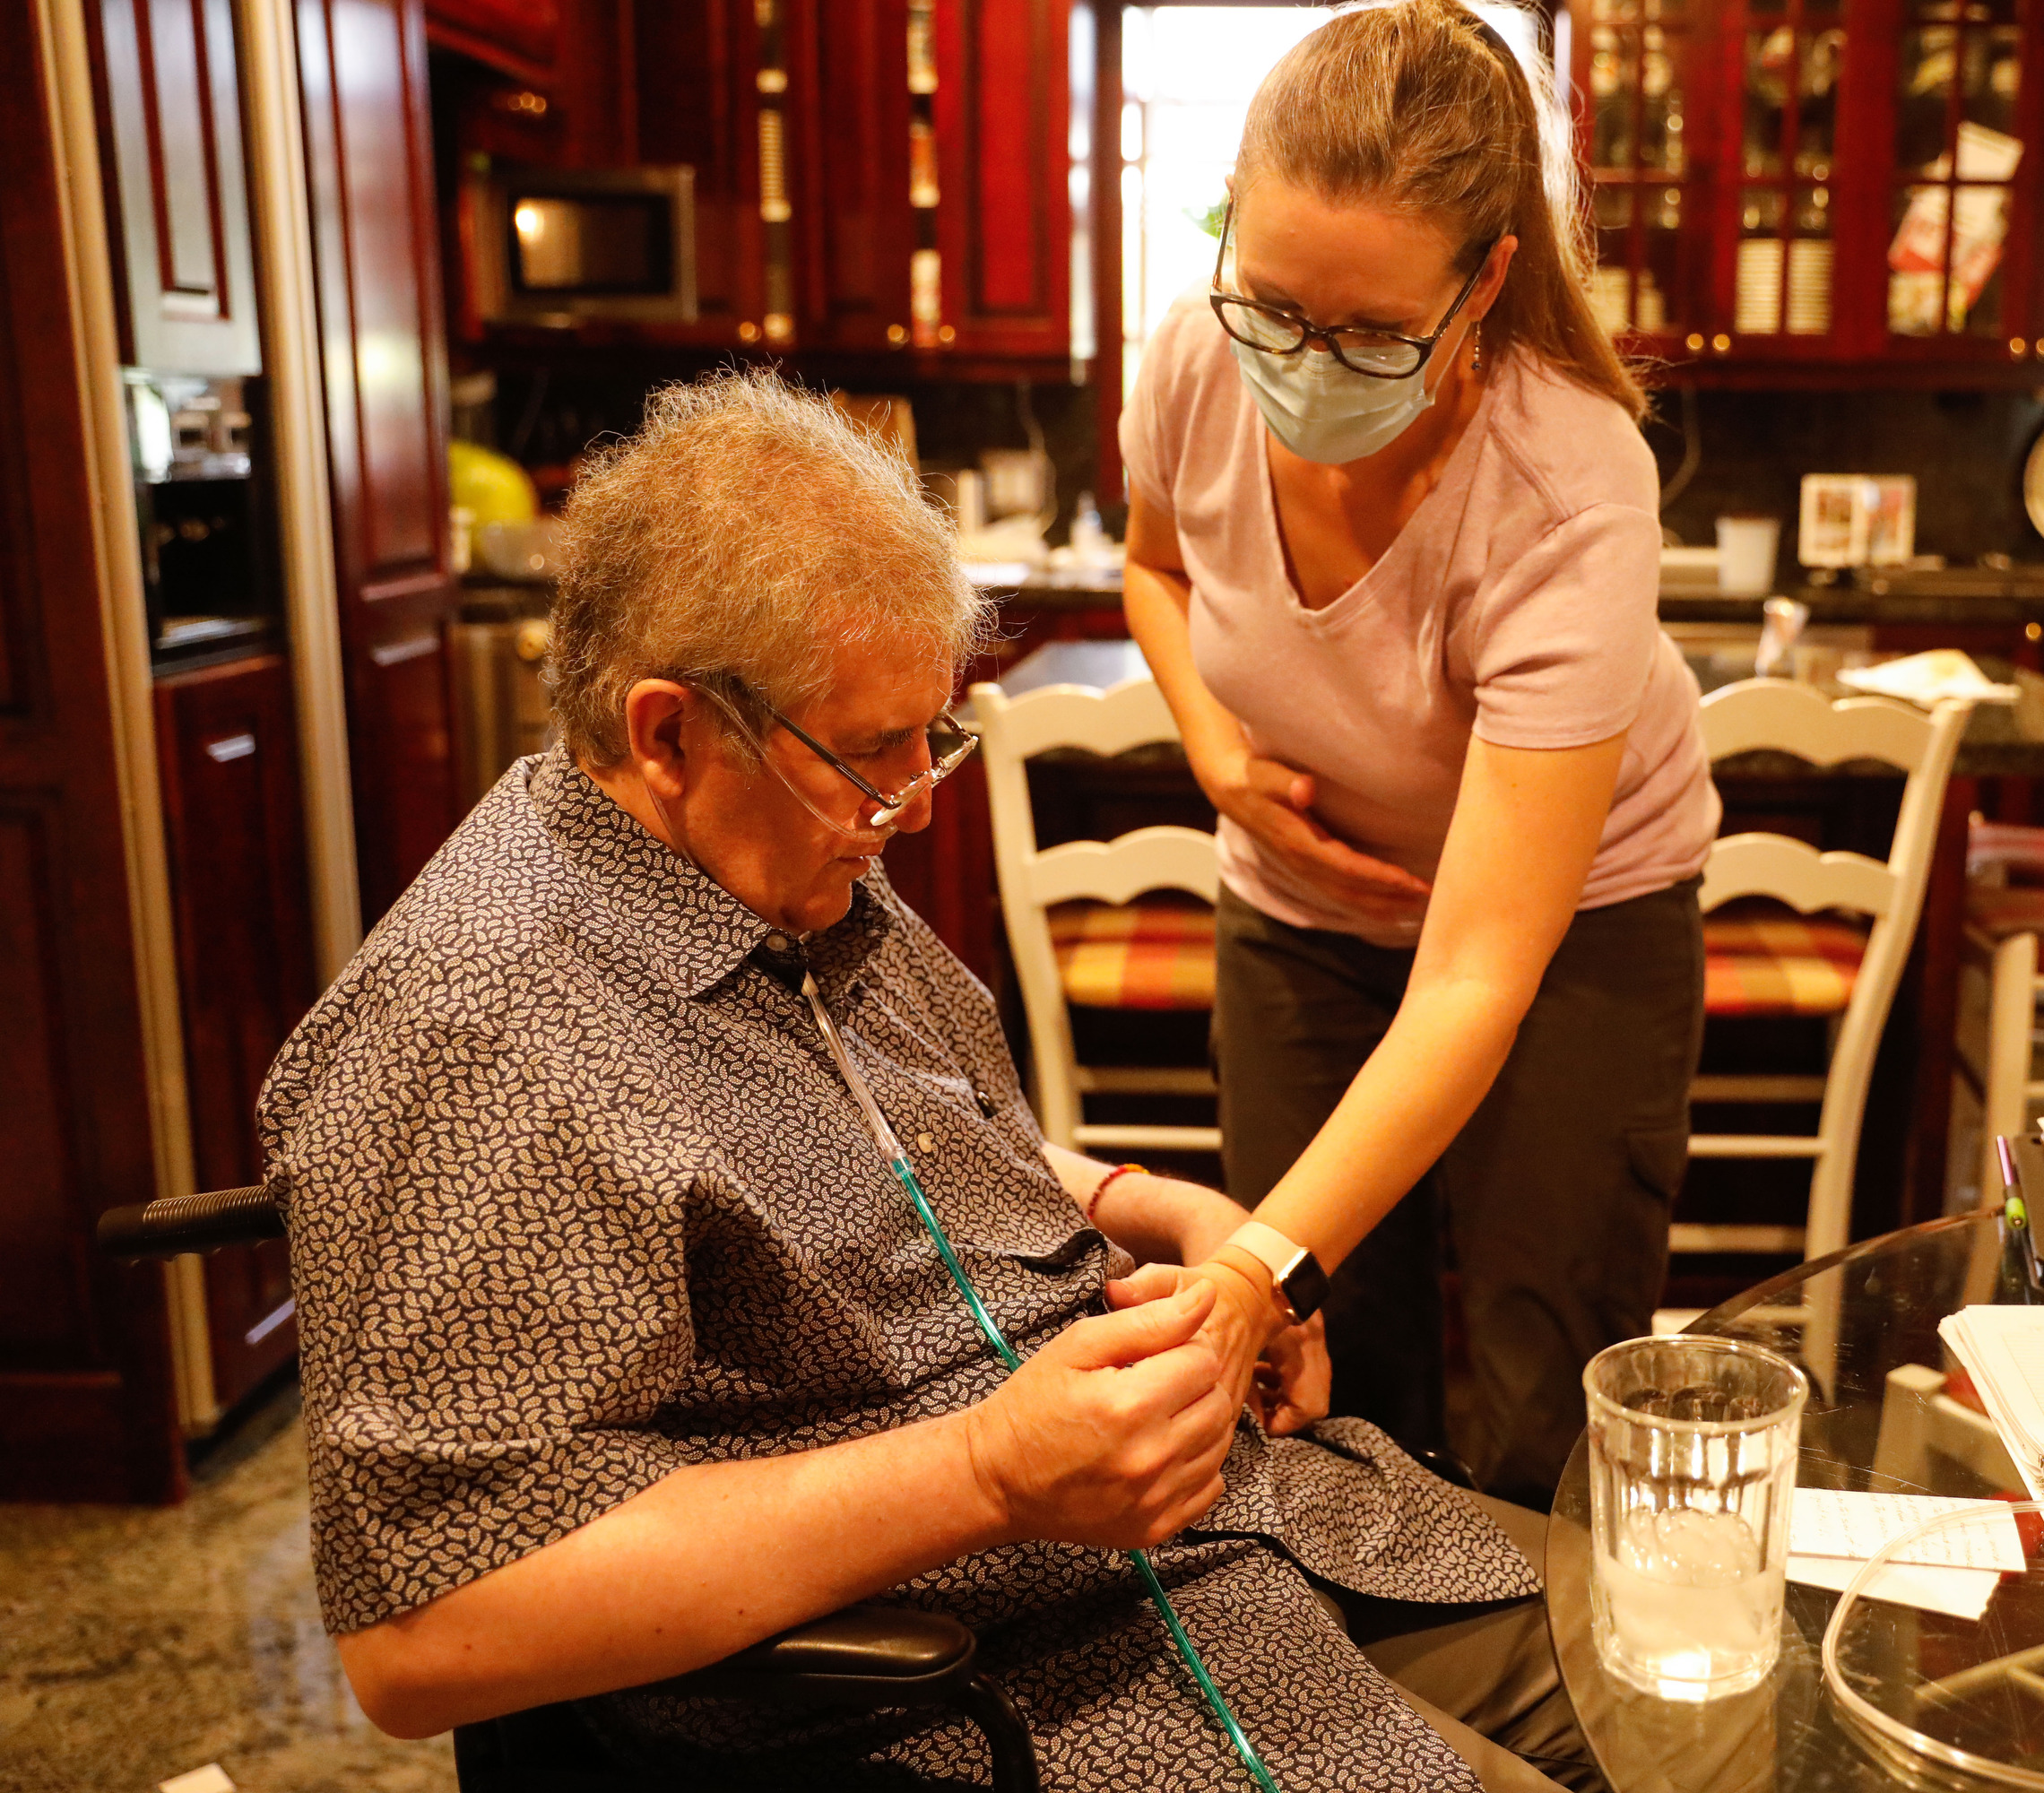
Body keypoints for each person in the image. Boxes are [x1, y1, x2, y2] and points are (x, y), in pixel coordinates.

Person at [262, 370, 1600, 1791]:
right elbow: (424, 1639)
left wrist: (1146, 1208)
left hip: (1221, 1533)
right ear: (667, 734)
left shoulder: (771, 874)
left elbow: (871, 1147)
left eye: (932, 734)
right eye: (872, 751)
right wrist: (988, 1475)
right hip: (989, 1680)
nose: (914, 795)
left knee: (1688, 1654)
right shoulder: (488, 1029)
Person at [1119, 0, 1719, 1503]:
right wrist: (1214, 751)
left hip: (1570, 931)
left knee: (1541, 1377)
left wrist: (1251, 1265)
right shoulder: (1195, 357)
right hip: (1302, 915)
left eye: (1375, 331)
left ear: (1489, 280)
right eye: (1273, 303)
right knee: (1323, 1377)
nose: (1306, 360)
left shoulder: (1567, 487)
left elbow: (1474, 976)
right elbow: (1156, 569)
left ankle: (1539, 1708)